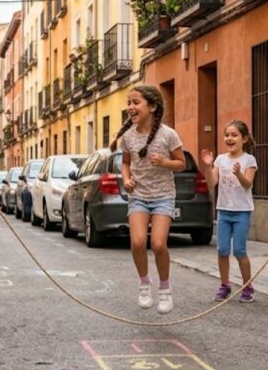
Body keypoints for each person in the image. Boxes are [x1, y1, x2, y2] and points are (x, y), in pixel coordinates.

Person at [109, 85, 186, 314]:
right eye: (129, 103)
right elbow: (124, 163)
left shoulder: (168, 134)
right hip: (139, 196)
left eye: (136, 103)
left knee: (159, 244)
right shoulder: (129, 138)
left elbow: (181, 164)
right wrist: (126, 179)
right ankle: (145, 283)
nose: (130, 107)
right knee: (138, 243)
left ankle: (165, 288)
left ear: (152, 107)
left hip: (163, 196)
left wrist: (164, 163)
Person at [202, 120, 258, 303]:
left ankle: (247, 286)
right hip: (224, 211)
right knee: (222, 250)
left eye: (234, 135)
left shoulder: (249, 160)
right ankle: (225, 285)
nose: (229, 138)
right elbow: (212, 183)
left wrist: (239, 174)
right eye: (227, 135)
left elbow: (248, 184)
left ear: (244, 138)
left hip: (242, 211)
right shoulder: (220, 159)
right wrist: (208, 165)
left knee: (240, 251)